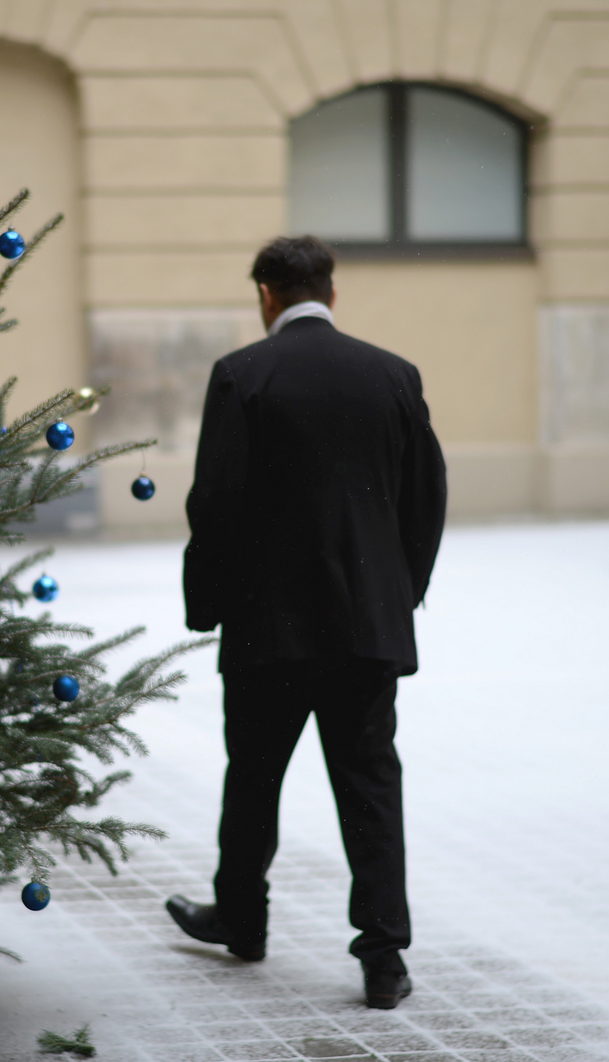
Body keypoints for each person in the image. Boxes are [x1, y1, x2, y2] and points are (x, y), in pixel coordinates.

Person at [165, 235, 447, 1010]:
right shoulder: (392, 374)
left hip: (267, 628)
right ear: (331, 289)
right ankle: (383, 957)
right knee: (368, 787)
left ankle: (241, 919)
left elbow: (214, 503)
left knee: (252, 778)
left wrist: (205, 605)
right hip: (364, 627)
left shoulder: (243, 375)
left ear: (265, 295)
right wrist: (401, 591)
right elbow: (425, 495)